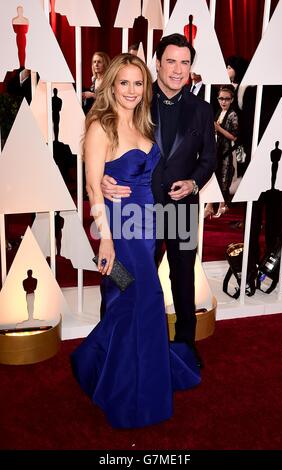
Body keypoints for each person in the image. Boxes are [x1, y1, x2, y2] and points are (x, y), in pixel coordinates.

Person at [71, 53, 201, 429]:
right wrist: (105, 242)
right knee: (134, 299)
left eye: (138, 83)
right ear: (111, 84)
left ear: (146, 87)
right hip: (120, 233)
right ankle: (123, 387)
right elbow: (95, 188)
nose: (131, 90)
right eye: (123, 82)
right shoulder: (101, 125)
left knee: (137, 305)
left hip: (148, 228)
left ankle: (110, 368)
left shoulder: (145, 122)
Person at [101, 34, 216, 366]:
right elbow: (105, 144)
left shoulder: (202, 110)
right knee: (126, 275)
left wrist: (193, 183)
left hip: (181, 208)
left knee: (182, 276)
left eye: (185, 62)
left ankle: (184, 343)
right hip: (137, 208)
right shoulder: (134, 98)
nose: (178, 70)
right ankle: (115, 336)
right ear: (157, 62)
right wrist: (103, 178)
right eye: (171, 61)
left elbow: (208, 159)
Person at [205, 85, 238, 219]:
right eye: (221, 98)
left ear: (232, 100)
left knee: (223, 178)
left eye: (227, 99)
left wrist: (218, 128)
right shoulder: (219, 111)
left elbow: (234, 136)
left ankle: (221, 205)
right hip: (217, 150)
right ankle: (211, 206)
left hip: (226, 152)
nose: (223, 102)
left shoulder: (233, 114)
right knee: (215, 177)